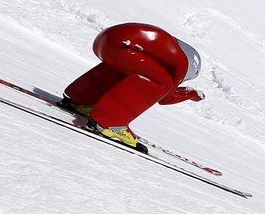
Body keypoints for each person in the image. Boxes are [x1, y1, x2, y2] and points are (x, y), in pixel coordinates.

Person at [59, 22, 205, 151]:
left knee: (136, 71)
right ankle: (110, 122)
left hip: (106, 42)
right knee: (165, 82)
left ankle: (83, 99)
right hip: (124, 47)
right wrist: (191, 94)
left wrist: (183, 92)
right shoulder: (184, 64)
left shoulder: (172, 49)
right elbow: (165, 96)